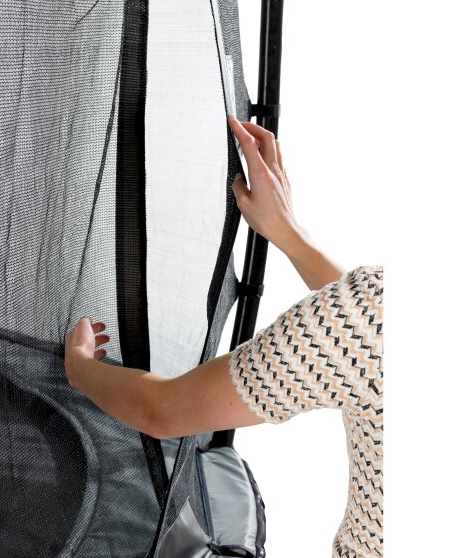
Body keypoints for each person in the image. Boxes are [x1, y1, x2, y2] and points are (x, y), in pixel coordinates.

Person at [64, 115, 383, 558]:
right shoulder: (369, 323)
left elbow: (162, 411)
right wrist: (288, 233)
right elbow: (359, 333)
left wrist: (79, 368)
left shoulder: (371, 321)